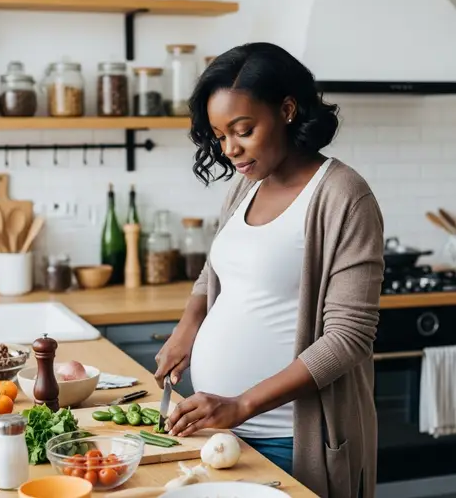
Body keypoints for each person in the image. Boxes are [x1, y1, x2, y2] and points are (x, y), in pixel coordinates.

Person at [154, 42, 384, 498]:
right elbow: (217, 271)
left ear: (287, 109)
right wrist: (186, 329)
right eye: (220, 136)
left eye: (243, 130)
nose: (230, 150)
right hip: (220, 434)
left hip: (290, 440)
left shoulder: (344, 195)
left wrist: (242, 404)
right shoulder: (246, 186)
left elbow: (349, 338)